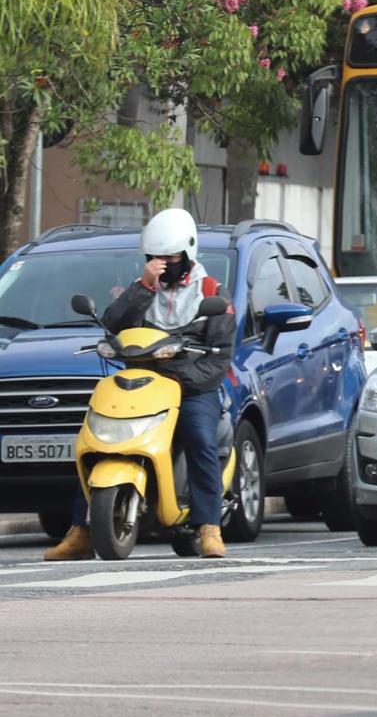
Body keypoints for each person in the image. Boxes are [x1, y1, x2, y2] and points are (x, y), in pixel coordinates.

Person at [44, 208, 237, 562]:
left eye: (170, 258)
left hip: (191, 388)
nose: (162, 264)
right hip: (141, 383)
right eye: (154, 258)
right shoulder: (140, 288)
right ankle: (81, 531)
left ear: (188, 252)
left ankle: (209, 526)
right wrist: (145, 286)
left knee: (199, 438)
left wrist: (179, 377)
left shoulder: (212, 293)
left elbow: (219, 359)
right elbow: (113, 324)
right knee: (97, 438)